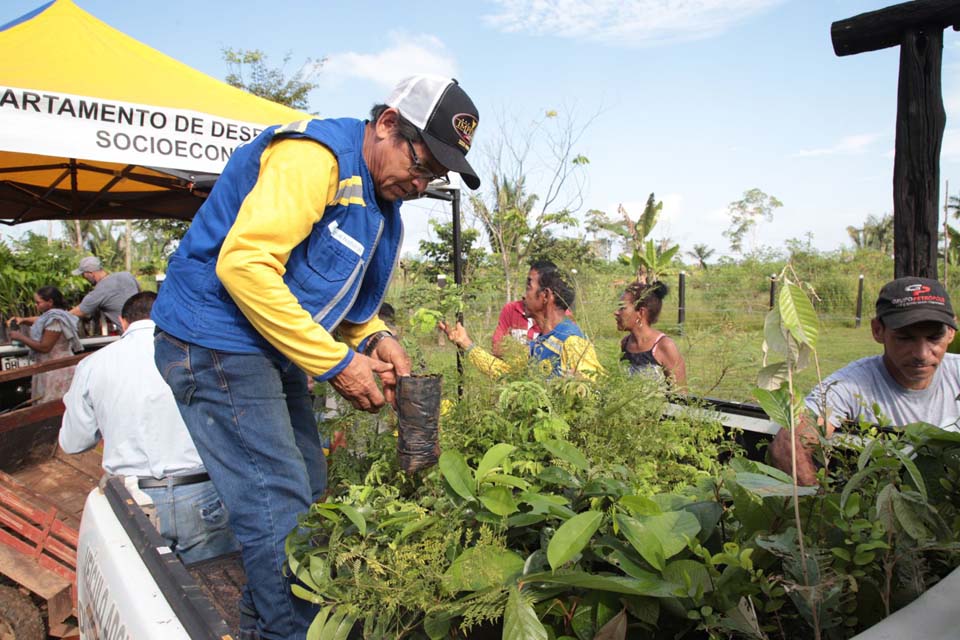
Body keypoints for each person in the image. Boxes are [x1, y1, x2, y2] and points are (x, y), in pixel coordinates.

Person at [150, 74, 480, 640]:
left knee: (306, 481)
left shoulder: (378, 199)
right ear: (386, 125)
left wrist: (375, 338)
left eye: (436, 176)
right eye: (422, 164)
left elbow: (328, 291)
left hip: (262, 344)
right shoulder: (315, 159)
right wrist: (337, 365)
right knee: (276, 504)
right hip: (214, 338)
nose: (423, 183)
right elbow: (245, 267)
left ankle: (265, 627)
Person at [59, 292, 238, 564]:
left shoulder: (93, 365)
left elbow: (74, 443)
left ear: (122, 321)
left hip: (131, 498)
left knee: (146, 593)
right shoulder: (201, 356)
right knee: (212, 592)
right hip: (202, 493)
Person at [770, 277, 960, 485]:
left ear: (951, 332)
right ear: (878, 331)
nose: (922, 354)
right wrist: (821, 509)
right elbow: (788, 445)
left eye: (934, 338)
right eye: (905, 338)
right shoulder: (850, 386)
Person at [439, 261, 602, 379]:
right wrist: (465, 342)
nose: (524, 296)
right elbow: (505, 372)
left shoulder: (572, 341)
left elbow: (591, 393)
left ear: (545, 296)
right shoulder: (539, 344)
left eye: (528, 288)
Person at [7, 286, 82, 403]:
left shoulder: (55, 320)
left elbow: (45, 347)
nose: (36, 306)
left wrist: (20, 337)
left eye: (38, 303)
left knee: (53, 405)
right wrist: (23, 320)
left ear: (50, 302)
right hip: (52, 366)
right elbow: (40, 320)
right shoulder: (57, 316)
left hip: (56, 368)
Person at [614, 281, 686, 388]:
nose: (616, 312)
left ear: (641, 312)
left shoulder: (664, 346)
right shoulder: (625, 343)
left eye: (622, 308)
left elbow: (680, 394)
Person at [70, 256, 140, 330]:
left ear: (90, 273)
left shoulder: (98, 292)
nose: (83, 277)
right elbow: (141, 294)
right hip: (149, 327)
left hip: (131, 333)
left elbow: (77, 312)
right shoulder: (127, 275)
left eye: (83, 274)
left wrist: (59, 315)